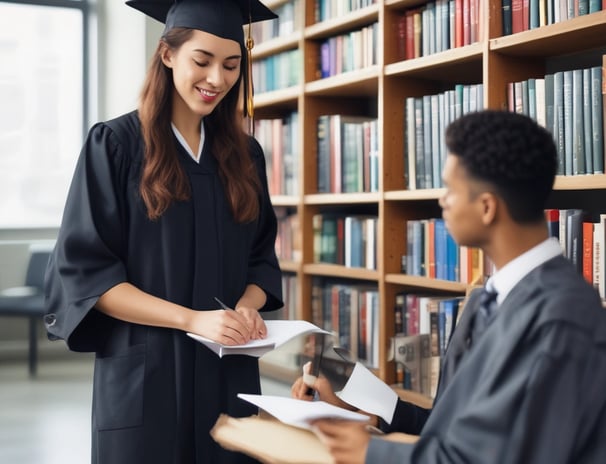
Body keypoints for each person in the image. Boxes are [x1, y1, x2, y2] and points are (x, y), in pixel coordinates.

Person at [43, 0, 283, 462]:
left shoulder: (245, 156)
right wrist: (192, 320)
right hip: (146, 373)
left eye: (232, 65)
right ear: (168, 54)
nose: (217, 79)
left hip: (226, 371)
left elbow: (261, 260)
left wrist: (247, 308)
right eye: (202, 60)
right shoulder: (114, 146)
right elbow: (89, 278)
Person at [292, 110, 606, 463]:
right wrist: (369, 416)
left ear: (487, 207)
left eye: (451, 189)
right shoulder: (485, 301)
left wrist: (373, 454)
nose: (442, 201)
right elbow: (452, 433)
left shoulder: (562, 320)